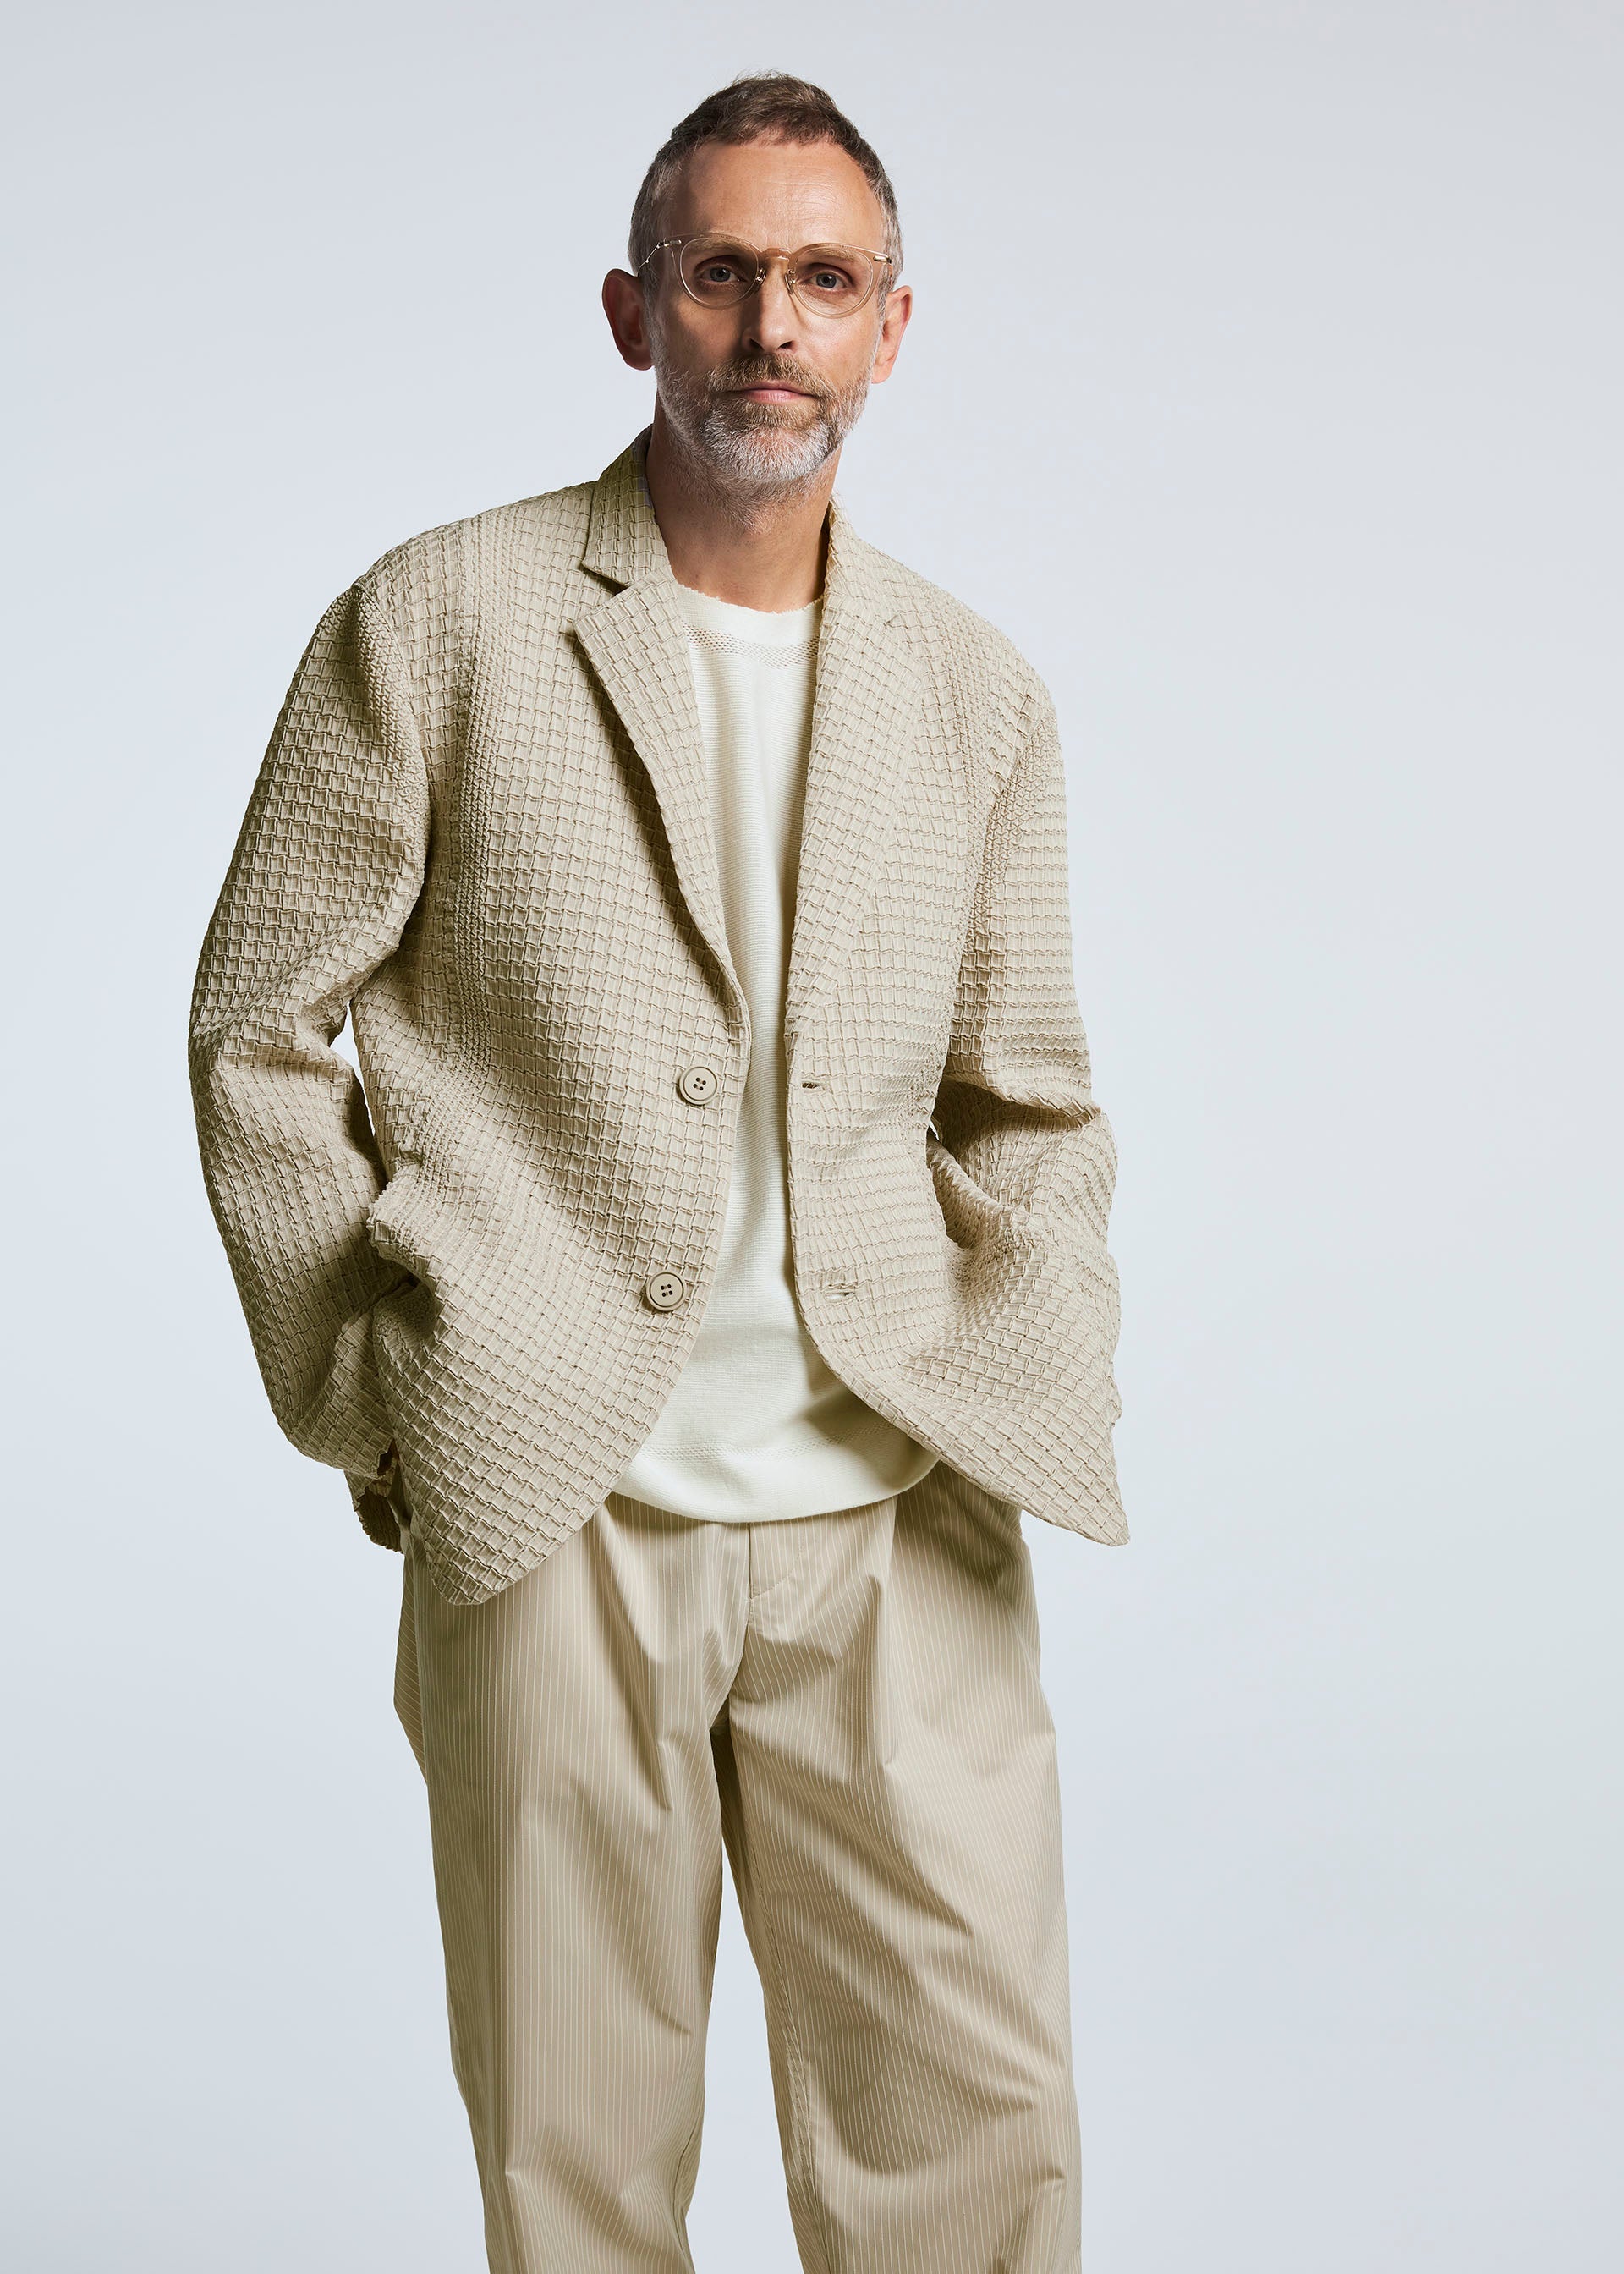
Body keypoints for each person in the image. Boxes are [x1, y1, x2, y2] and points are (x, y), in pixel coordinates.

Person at [189, 69, 1127, 2274]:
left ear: (894, 325)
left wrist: (1021, 1351)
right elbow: (256, 1027)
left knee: (976, 2144)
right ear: (634, 311)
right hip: (556, 1503)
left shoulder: (974, 690)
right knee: (579, 2164)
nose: (770, 327)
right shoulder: (438, 619)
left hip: (896, 1501)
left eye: (824, 279)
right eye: (720, 274)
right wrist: (386, 1394)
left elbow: (1029, 1098)